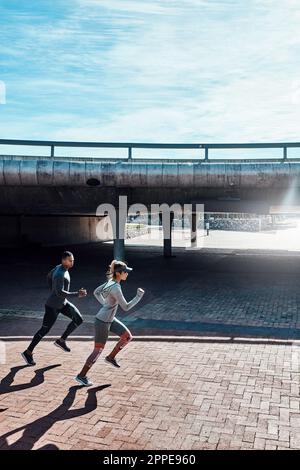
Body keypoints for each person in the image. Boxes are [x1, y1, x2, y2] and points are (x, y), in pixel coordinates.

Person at [75, 260, 144, 386]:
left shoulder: (111, 282)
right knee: (98, 350)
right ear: (119, 273)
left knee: (127, 337)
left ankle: (111, 357)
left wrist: (105, 304)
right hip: (102, 322)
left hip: (110, 319)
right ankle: (81, 376)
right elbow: (126, 307)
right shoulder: (116, 287)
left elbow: (96, 292)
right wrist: (138, 296)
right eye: (125, 272)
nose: (127, 274)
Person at [21, 251, 87, 366]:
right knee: (44, 330)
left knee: (78, 319)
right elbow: (60, 292)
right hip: (52, 307)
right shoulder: (60, 274)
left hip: (63, 304)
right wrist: (77, 294)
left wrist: (52, 289)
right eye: (70, 260)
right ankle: (28, 352)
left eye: (73, 260)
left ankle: (61, 341)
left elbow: (48, 277)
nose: (73, 262)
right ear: (64, 260)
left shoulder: (59, 268)